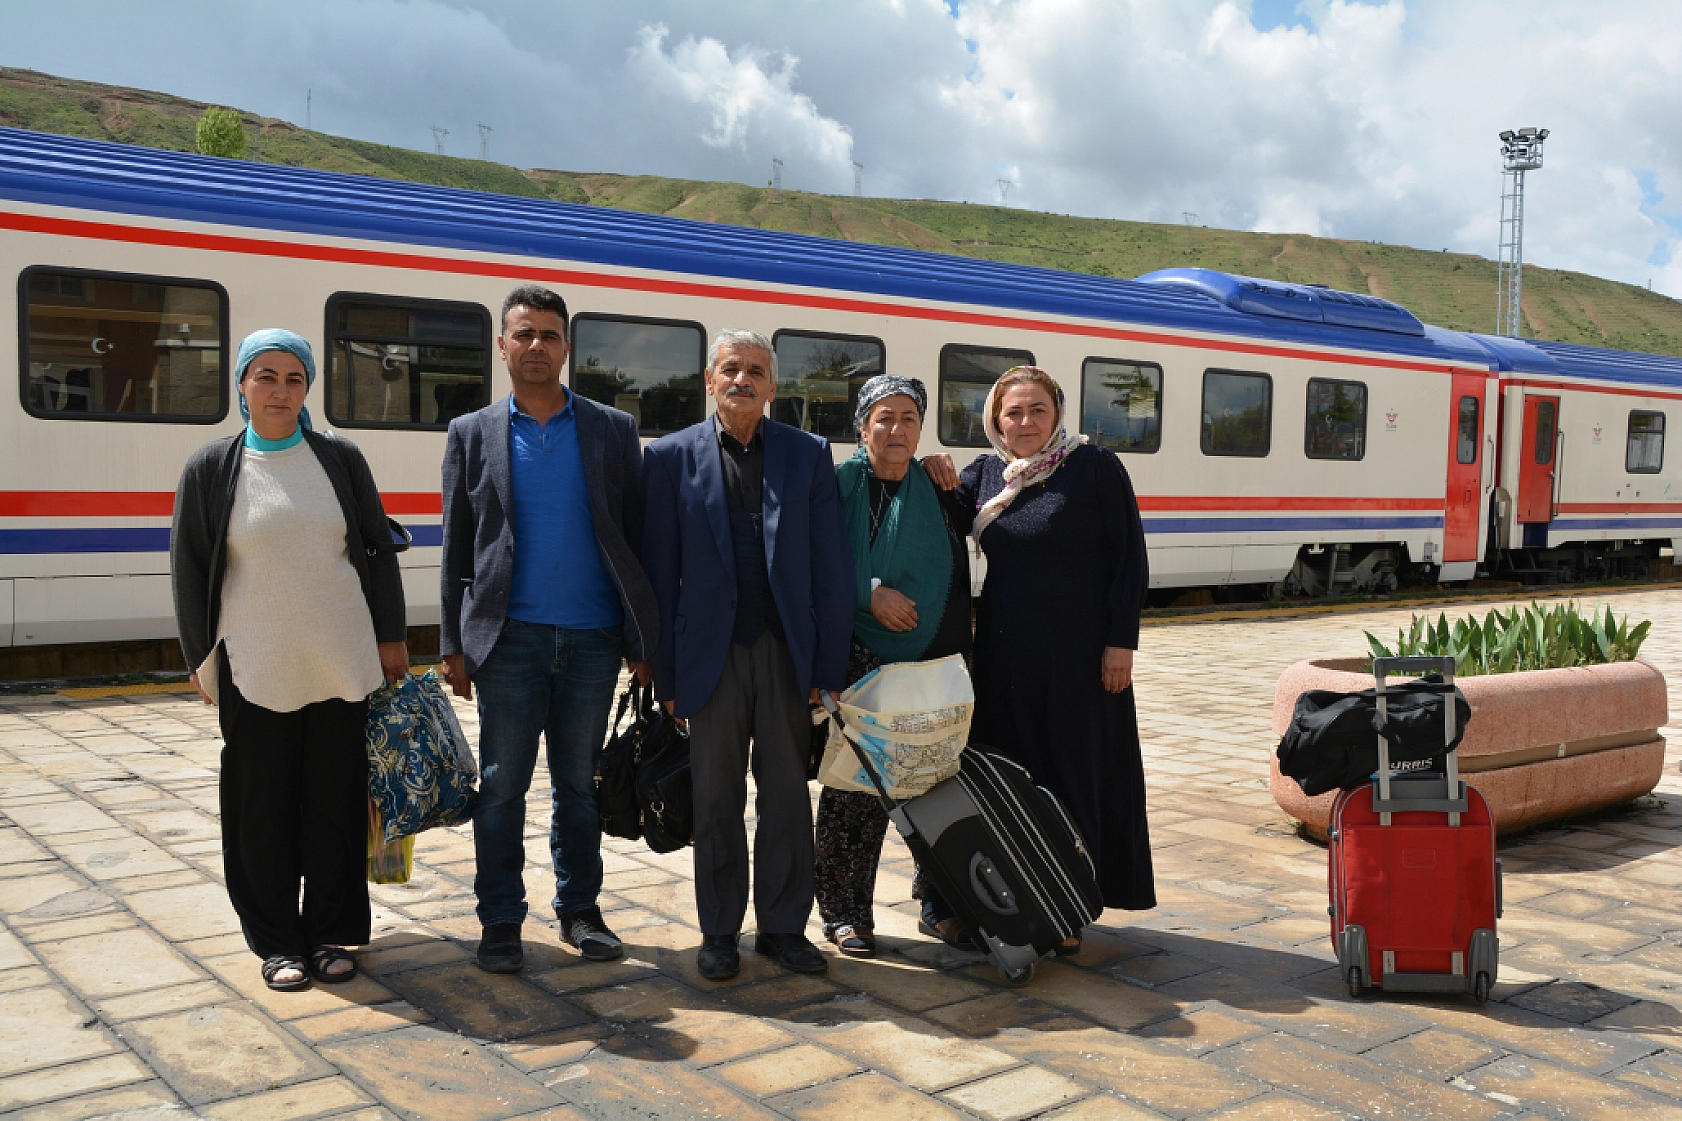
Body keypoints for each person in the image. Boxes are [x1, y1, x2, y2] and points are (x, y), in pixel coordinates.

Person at [171, 329, 410, 992]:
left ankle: (330, 931)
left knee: (334, 803)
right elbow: (190, 568)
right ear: (242, 387)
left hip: (340, 660)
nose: (280, 391)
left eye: (294, 378)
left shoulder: (337, 458)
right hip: (255, 665)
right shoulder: (212, 468)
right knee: (261, 807)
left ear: (308, 389)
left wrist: (391, 635)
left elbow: (374, 548)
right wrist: (199, 657)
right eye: (266, 377)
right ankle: (276, 939)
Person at [439, 285, 660, 974]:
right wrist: (453, 642)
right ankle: (501, 917)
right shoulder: (471, 433)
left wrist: (641, 639)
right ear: (502, 344)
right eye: (524, 333)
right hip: (509, 640)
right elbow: (456, 544)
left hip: (594, 638)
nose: (537, 345)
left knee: (579, 784)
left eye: (550, 335)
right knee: (503, 784)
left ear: (567, 347)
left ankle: (580, 911)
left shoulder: (611, 430)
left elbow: (637, 538)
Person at [640, 328, 853, 980]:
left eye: (756, 370)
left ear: (773, 385)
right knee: (715, 798)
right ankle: (720, 930)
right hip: (710, 659)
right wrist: (665, 674)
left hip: (786, 655)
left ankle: (785, 926)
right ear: (710, 379)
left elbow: (830, 571)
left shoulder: (807, 453)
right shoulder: (670, 457)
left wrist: (826, 669)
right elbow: (657, 575)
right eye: (731, 367)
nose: (743, 378)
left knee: (788, 796)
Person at [955, 365, 1155, 953]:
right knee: (1014, 781)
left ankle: (1070, 906)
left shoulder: (1095, 467)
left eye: (1036, 409)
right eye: (1011, 412)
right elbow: (938, 517)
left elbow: (1129, 559)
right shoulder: (984, 474)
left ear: (1057, 413)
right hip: (1006, 657)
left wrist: (1122, 643)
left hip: (1082, 660)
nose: (1023, 422)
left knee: (1074, 775)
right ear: (995, 418)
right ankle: (1016, 899)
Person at [813, 376, 974, 957]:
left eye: (908, 418)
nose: (896, 429)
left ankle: (940, 905)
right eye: (883, 418)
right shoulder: (839, 485)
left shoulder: (939, 487)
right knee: (854, 791)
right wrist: (868, 593)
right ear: (862, 426)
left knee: (933, 785)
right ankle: (845, 914)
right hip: (857, 658)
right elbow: (811, 560)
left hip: (931, 661)